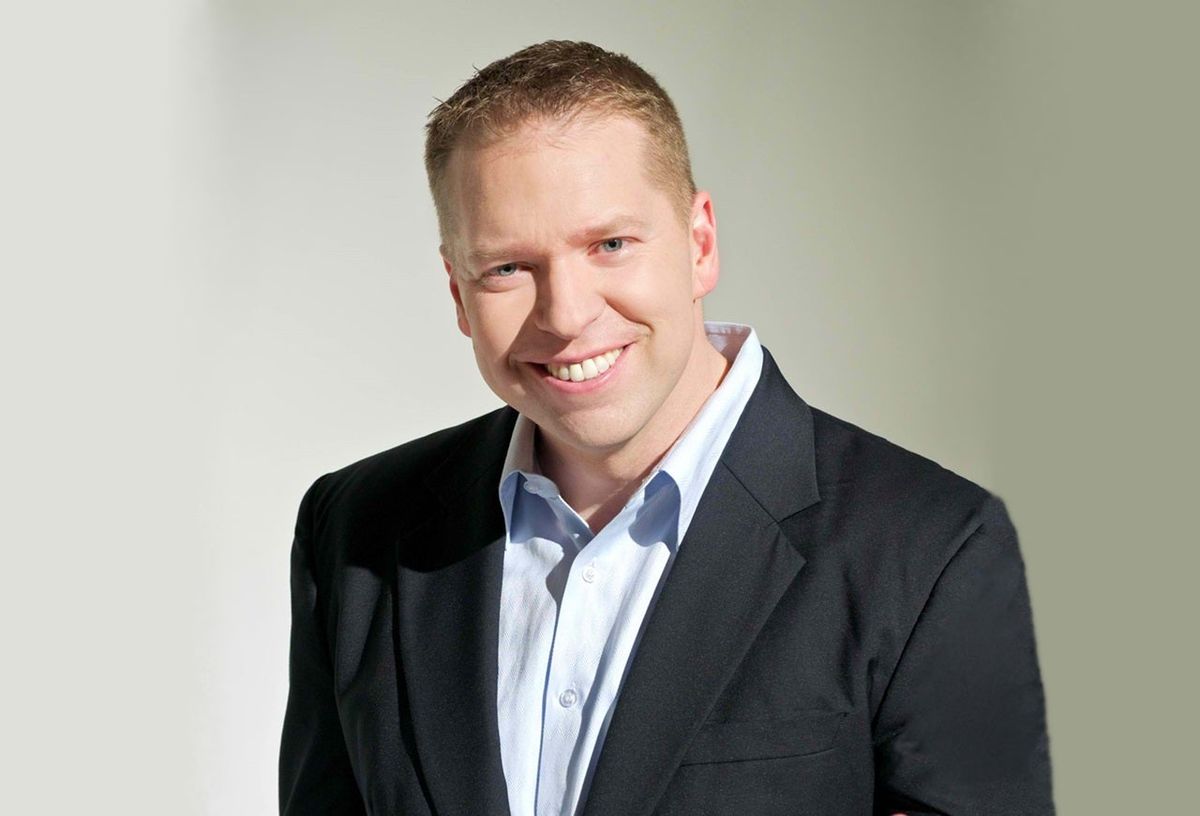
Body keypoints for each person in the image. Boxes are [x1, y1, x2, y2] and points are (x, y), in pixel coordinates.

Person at [279, 40, 1054, 816]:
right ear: (458, 292)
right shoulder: (354, 533)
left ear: (699, 244)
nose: (566, 314)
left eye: (610, 245)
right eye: (508, 268)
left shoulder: (930, 547)